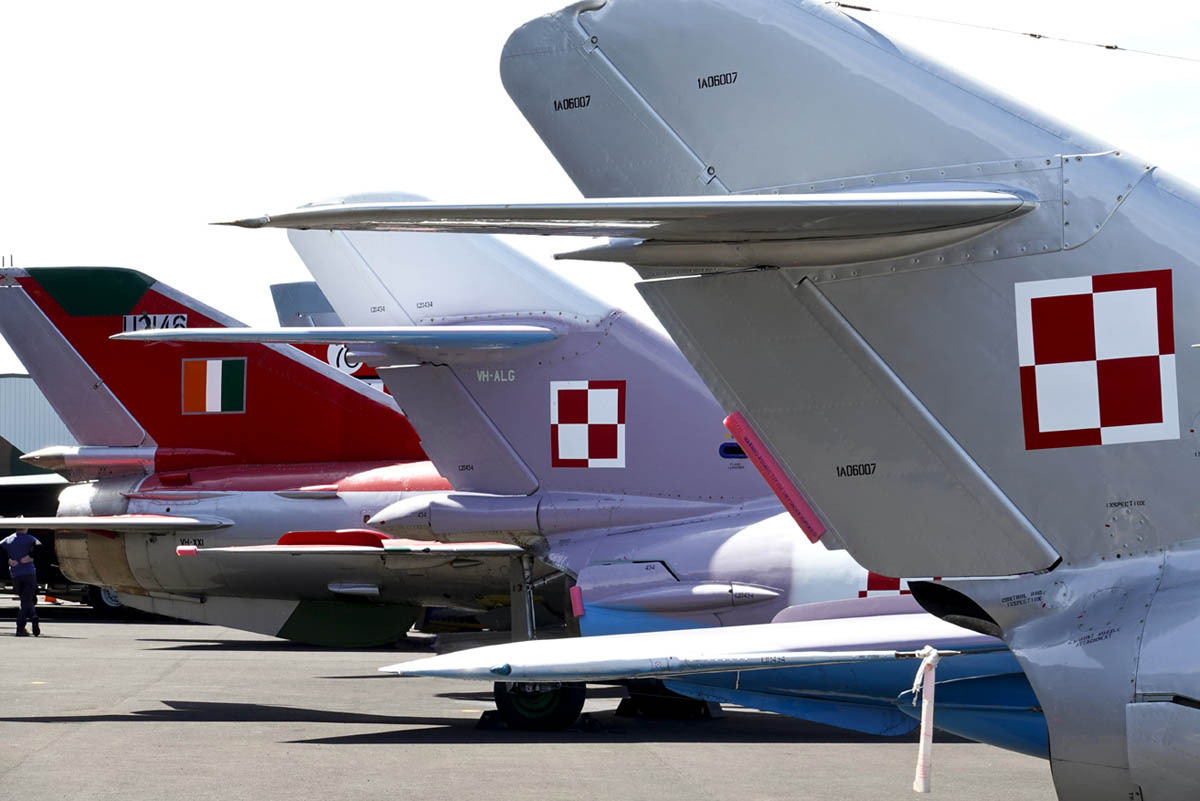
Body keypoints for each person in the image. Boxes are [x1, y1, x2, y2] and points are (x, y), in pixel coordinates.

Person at [2, 528, 41, 636]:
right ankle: (24, 625)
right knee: (26, 600)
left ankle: (28, 621)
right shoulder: (30, 538)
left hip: (15, 574)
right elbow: (40, 547)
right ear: (26, 528)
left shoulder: (8, 539)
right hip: (29, 572)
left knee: (25, 599)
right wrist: (30, 557)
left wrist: (8, 560)